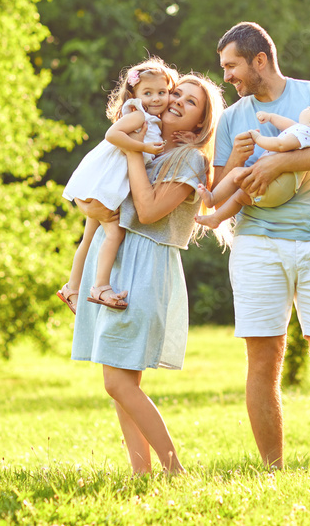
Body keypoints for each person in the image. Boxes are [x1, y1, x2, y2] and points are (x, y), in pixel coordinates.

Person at [213, 22, 310, 472]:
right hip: (257, 243)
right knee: (263, 358)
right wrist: (238, 163)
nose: (227, 77)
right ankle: (273, 472)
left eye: (232, 66)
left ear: (260, 60)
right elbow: (216, 191)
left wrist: (280, 160)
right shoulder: (234, 117)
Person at [70, 74, 226, 475]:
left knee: (118, 383)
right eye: (176, 93)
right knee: (121, 383)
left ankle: (174, 470)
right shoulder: (152, 146)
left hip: (146, 266)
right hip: (120, 259)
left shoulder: (190, 159)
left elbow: (148, 211)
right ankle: (142, 474)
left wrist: (135, 149)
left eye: (189, 102)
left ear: (198, 124)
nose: (175, 101)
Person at [57, 59, 178, 313]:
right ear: (133, 94)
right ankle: (100, 286)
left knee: (88, 239)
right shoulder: (137, 115)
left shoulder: (151, 119)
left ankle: (71, 287)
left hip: (103, 186)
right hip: (105, 185)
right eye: (148, 93)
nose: (156, 98)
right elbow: (112, 135)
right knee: (114, 233)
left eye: (162, 92)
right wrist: (143, 147)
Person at [195, 97, 310, 229]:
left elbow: (280, 144)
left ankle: (212, 198)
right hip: (282, 192)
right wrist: (270, 117)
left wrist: (258, 139)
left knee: (236, 174)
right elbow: (288, 125)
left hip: (276, 185)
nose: (306, 108)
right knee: (240, 197)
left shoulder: (304, 133)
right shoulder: (308, 136)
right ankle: (216, 219)